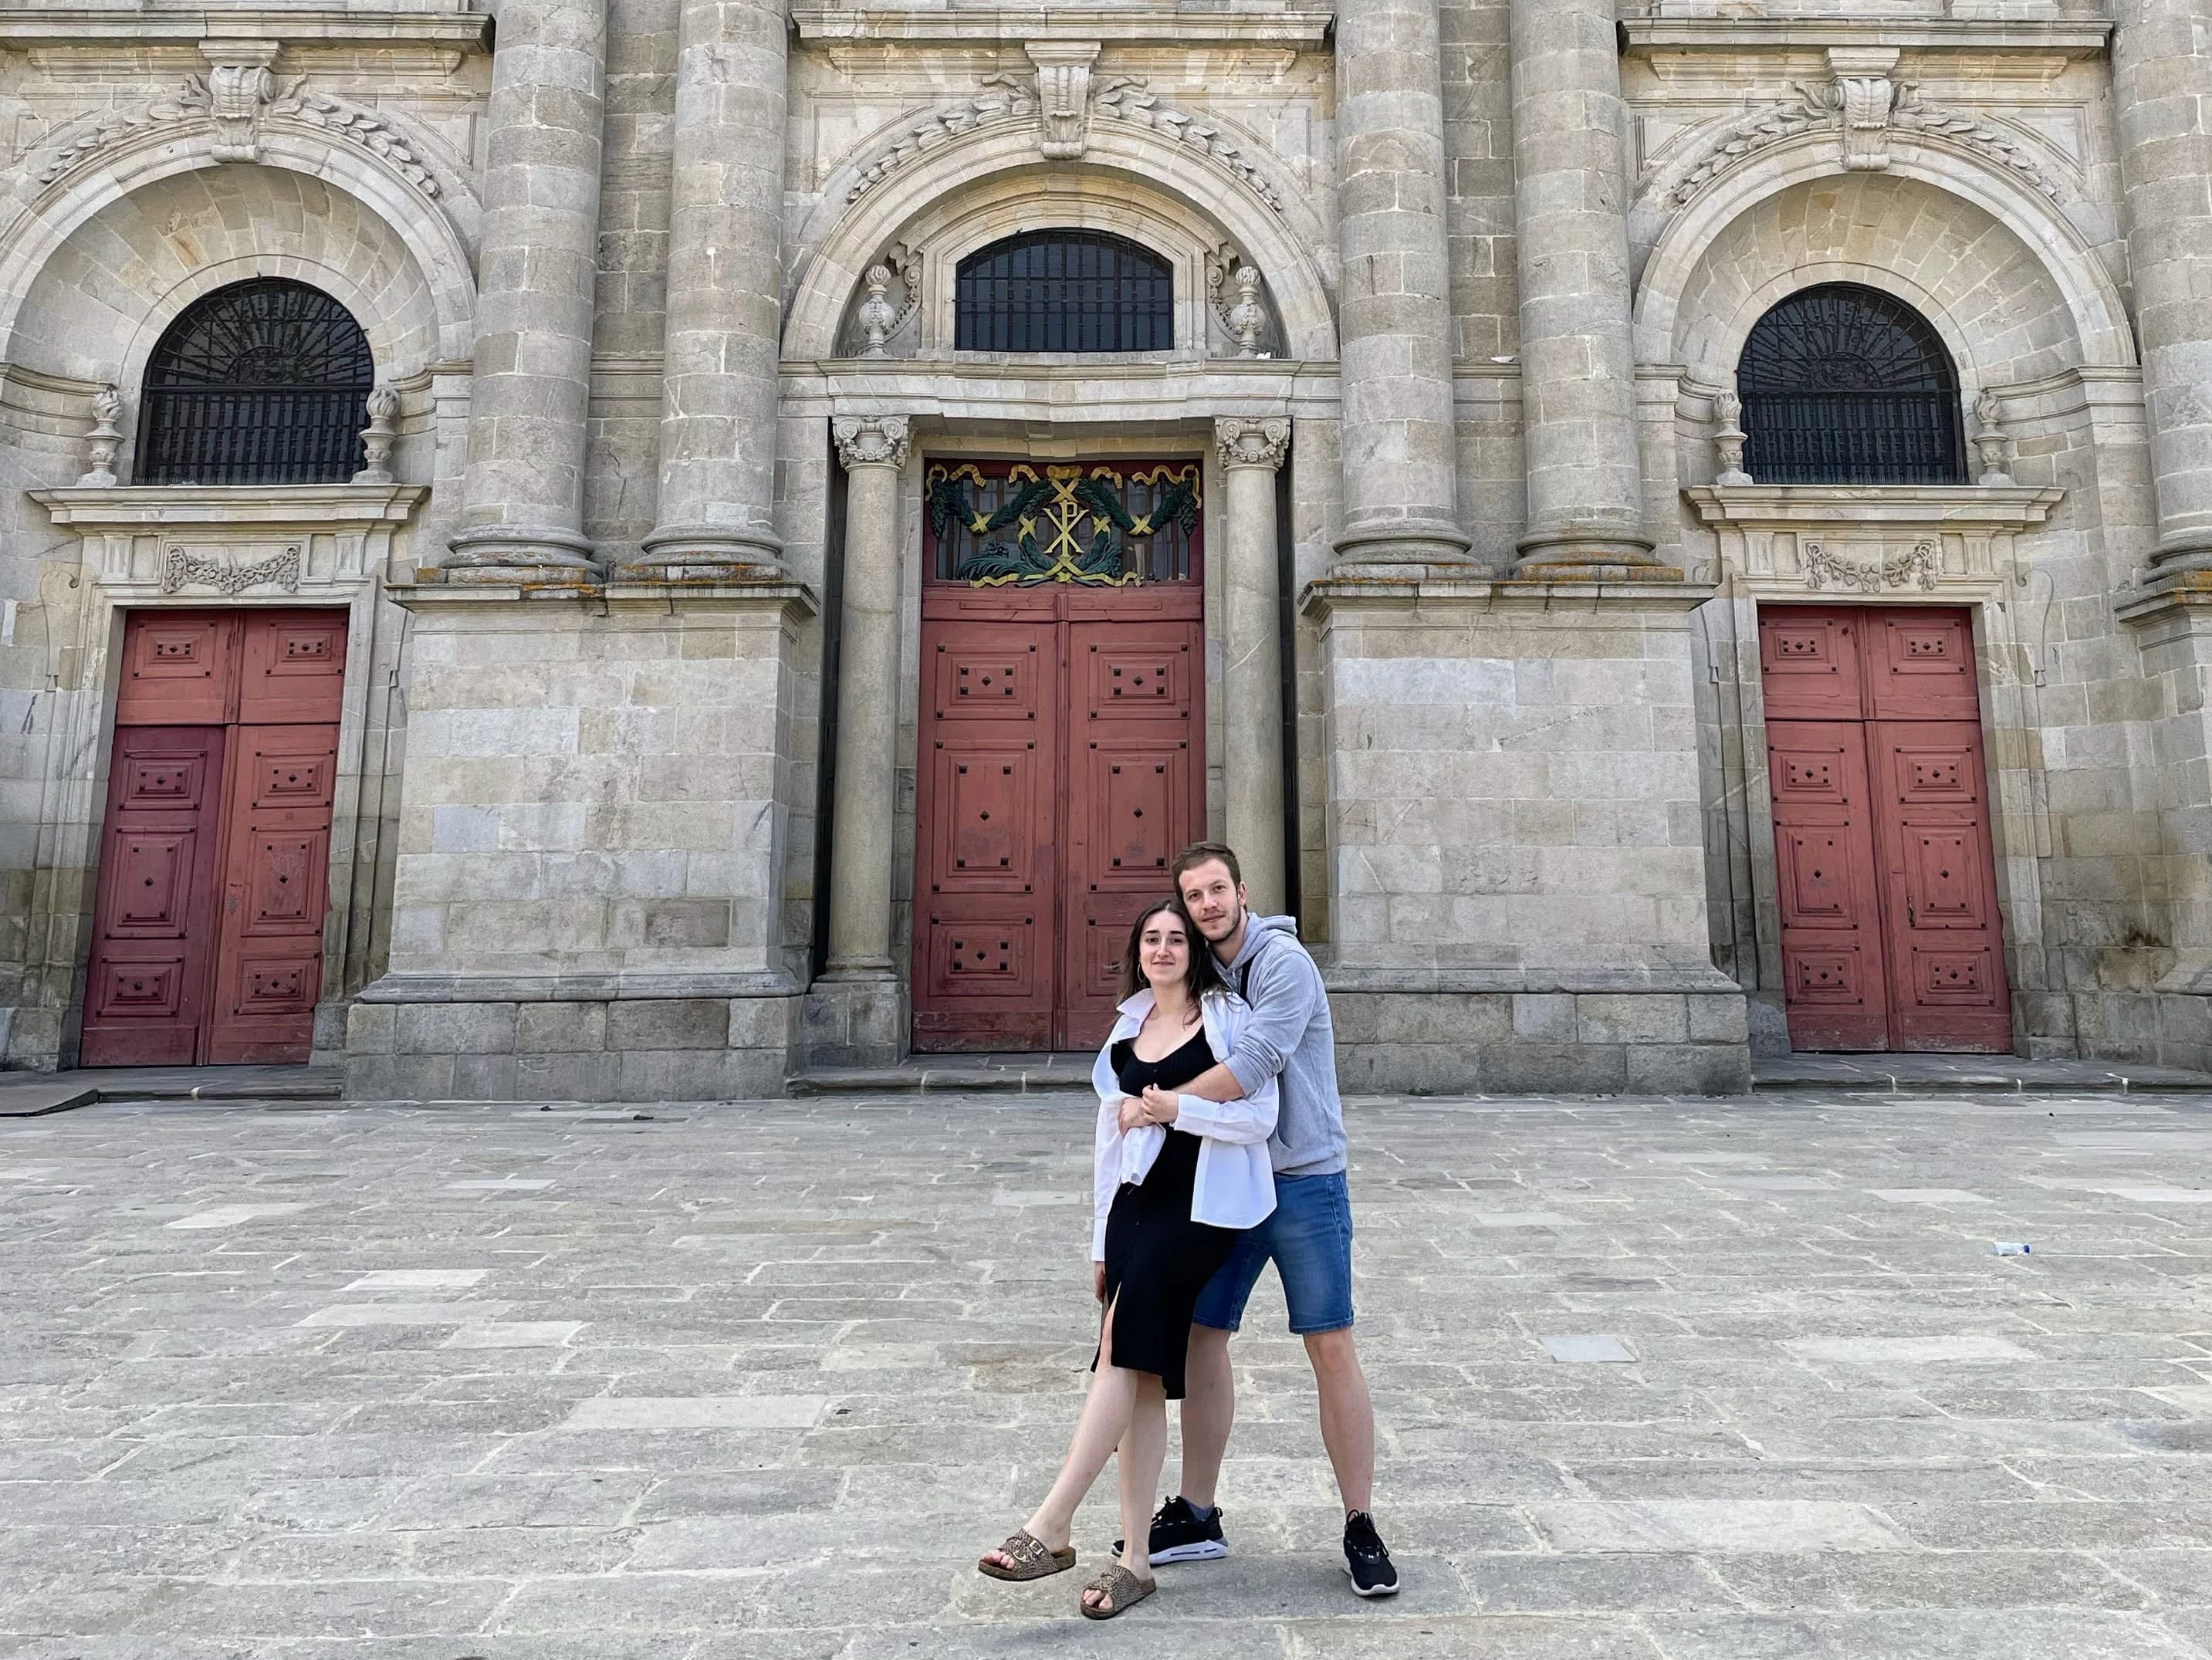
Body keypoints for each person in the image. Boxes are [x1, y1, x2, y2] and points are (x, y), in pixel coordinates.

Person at [976, 895, 1278, 1620]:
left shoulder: (1228, 1018)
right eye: (1152, 939)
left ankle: (1052, 1522)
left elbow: (1259, 1116)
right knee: (1140, 1373)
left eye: (1177, 938)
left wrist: (1177, 1108)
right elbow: (1108, 1146)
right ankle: (1135, 1560)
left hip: (1199, 1209)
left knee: (1120, 1347)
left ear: (1194, 951)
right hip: (1134, 1210)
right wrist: (1097, 1242)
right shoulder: (1124, 1031)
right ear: (1137, 952)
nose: (1164, 949)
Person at [1129, 840, 1399, 1597]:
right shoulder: (1200, 969)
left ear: (1242, 892)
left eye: (1217, 890)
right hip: (1231, 1178)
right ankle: (1197, 1513)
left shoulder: (1284, 964)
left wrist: (1162, 1104)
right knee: (1201, 1334)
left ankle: (1360, 1522)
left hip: (1305, 1180)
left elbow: (1253, 1067)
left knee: (1329, 1342)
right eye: (1194, 896)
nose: (1207, 905)